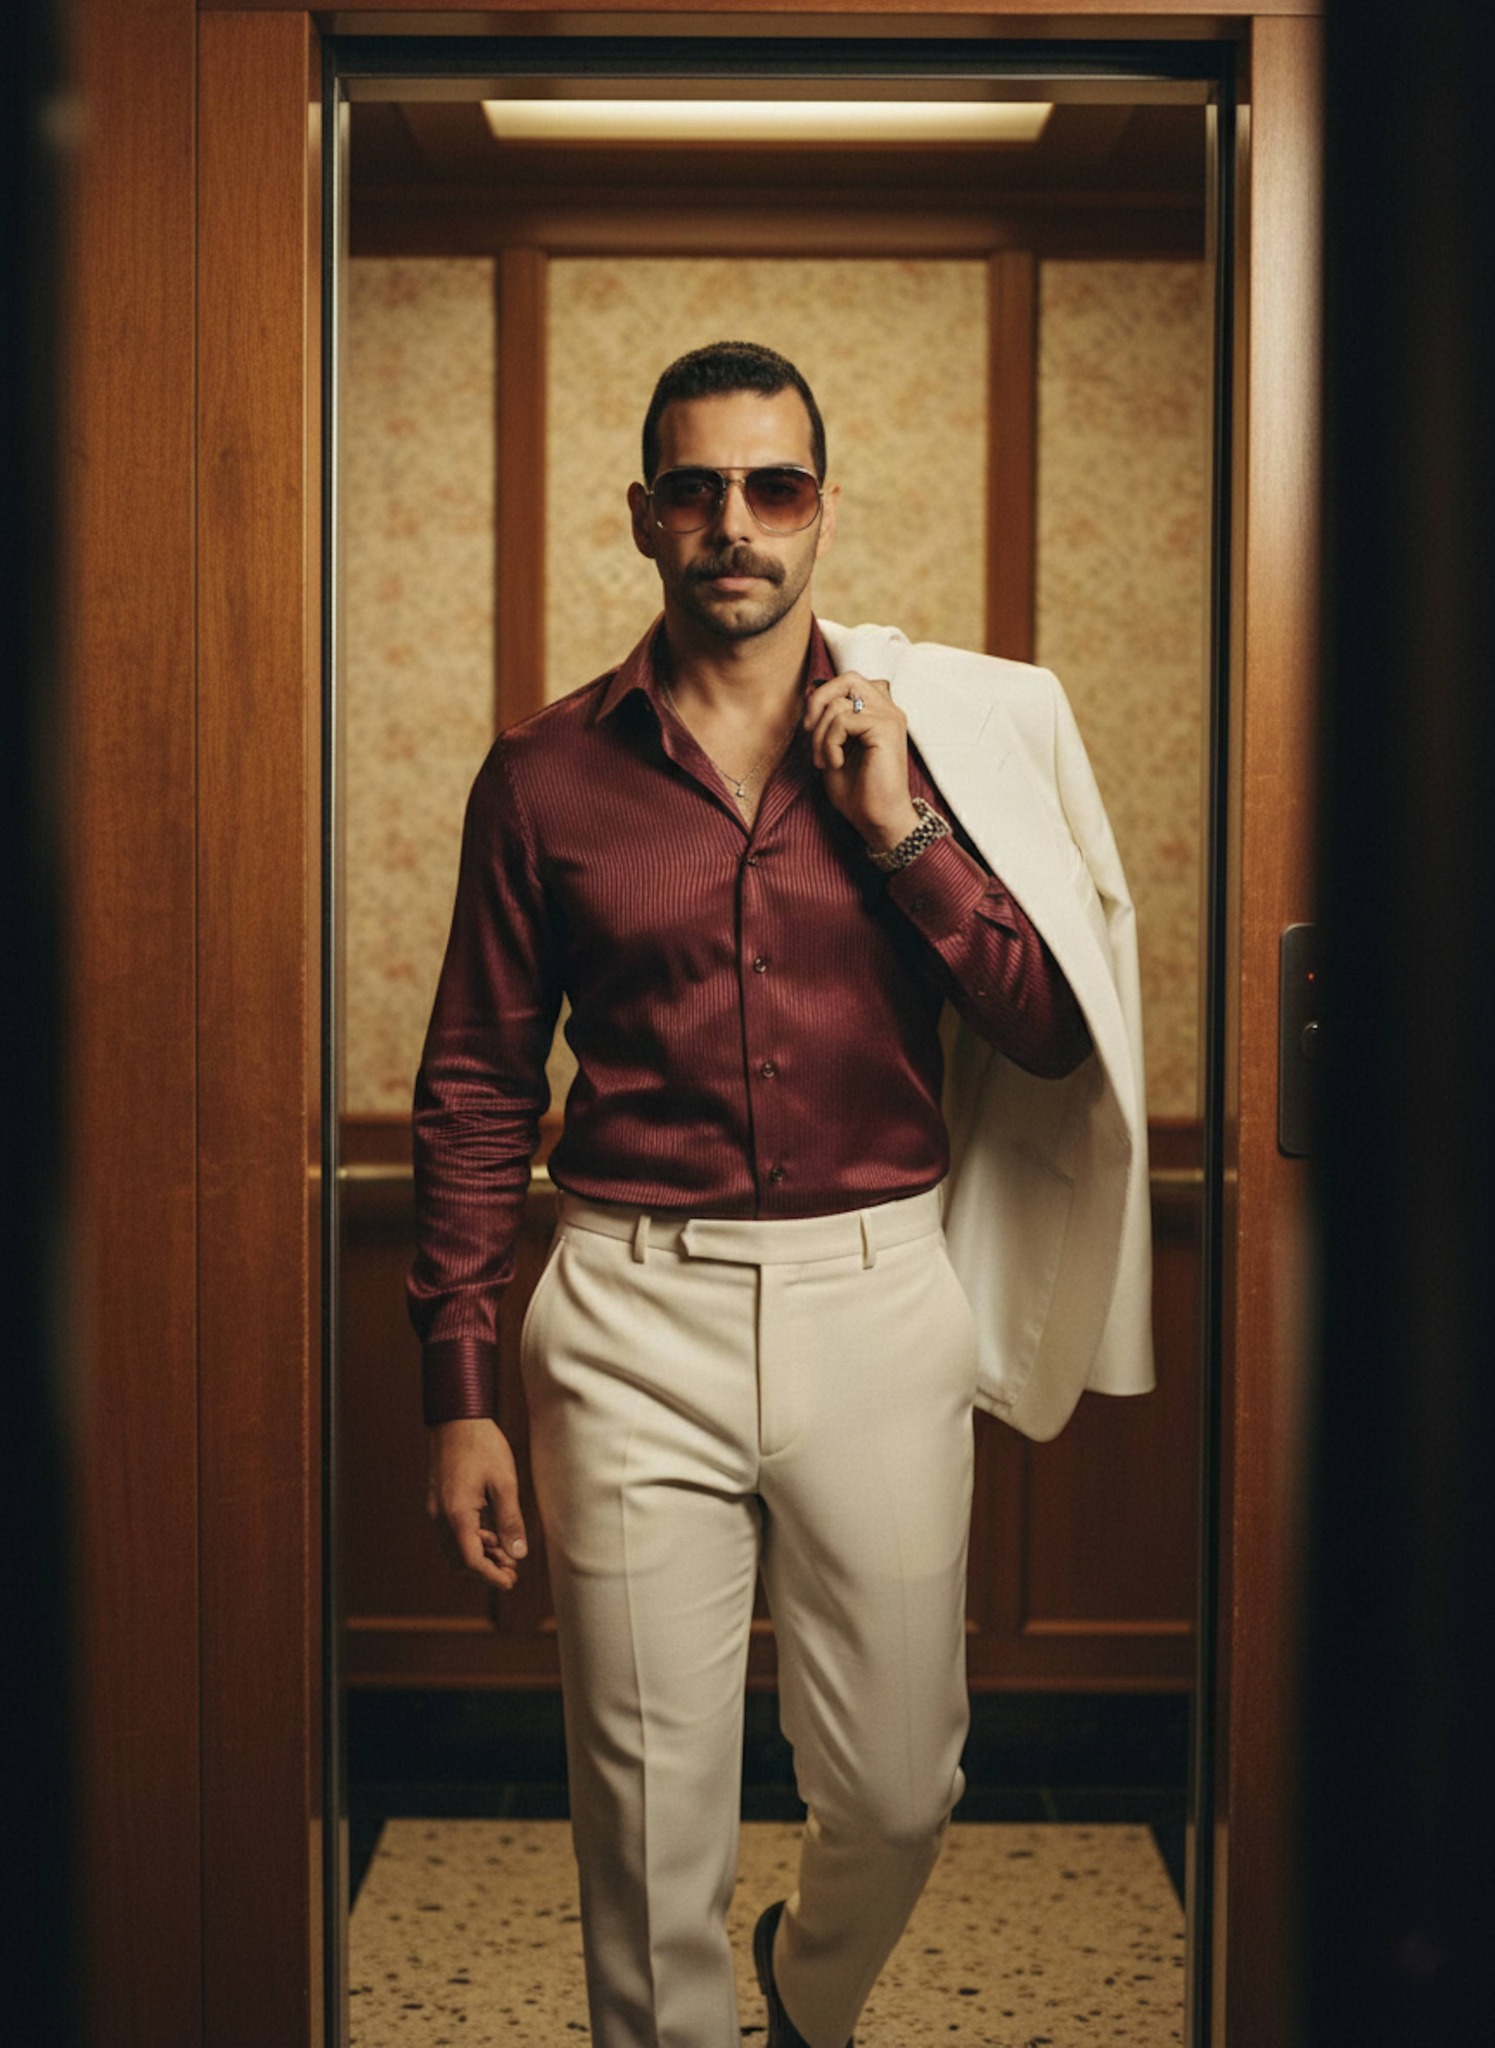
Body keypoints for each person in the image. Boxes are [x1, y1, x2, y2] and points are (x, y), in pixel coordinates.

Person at [409, 339, 1153, 2048]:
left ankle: (809, 1991)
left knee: (901, 1786)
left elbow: (1052, 1032)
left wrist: (900, 830)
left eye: (774, 486)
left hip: (879, 1300)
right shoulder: (542, 778)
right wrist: (458, 1390)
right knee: (645, 1827)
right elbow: (473, 1092)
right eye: (696, 489)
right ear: (643, 517)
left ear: (822, 511)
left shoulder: (932, 751)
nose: (734, 522)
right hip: (626, 1312)